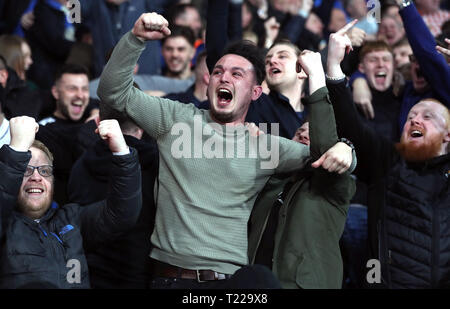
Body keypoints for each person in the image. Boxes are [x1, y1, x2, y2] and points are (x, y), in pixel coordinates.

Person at [98, 11, 355, 289]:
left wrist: (347, 150)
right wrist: (135, 38)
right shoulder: (175, 118)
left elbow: (324, 157)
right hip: (168, 278)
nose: (224, 78)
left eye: (237, 74)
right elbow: (114, 93)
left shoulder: (265, 145)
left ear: (255, 93)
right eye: (217, 72)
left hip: (230, 284)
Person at [326, 21, 450, 288]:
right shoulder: (388, 160)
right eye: (411, 117)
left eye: (428, 117)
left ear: (449, 135)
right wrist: (334, 68)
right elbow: (352, 126)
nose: (415, 121)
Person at [0, 115, 142, 288]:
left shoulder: (72, 219)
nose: (36, 177)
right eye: (25, 170)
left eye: (44, 171)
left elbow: (122, 213)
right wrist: (16, 151)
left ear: (53, 182)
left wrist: (122, 153)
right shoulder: (5, 226)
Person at [249, 119, 356, 289]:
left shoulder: (331, 187)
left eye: (312, 134)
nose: (304, 135)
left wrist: (346, 145)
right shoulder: (271, 182)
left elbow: (338, 169)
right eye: (299, 132)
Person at [67, 102, 159, 289]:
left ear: (99, 122)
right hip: (140, 275)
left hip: (89, 274)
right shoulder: (158, 167)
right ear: (143, 126)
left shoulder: (80, 165)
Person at [37, 64, 100, 205]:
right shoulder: (43, 128)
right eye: (72, 89)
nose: (80, 95)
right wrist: (92, 124)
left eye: (84, 89)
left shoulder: (95, 113)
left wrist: (95, 112)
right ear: (56, 92)